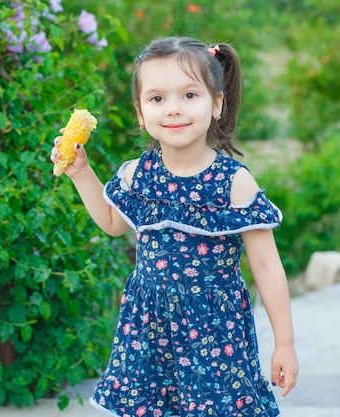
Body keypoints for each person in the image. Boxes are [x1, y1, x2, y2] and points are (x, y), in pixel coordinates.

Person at [50, 36, 298, 417]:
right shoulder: (138, 174)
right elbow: (114, 222)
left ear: (216, 103)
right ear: (140, 112)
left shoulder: (233, 182)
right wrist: (81, 173)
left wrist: (285, 344)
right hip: (150, 326)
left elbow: (266, 266)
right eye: (157, 99)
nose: (173, 110)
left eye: (189, 95)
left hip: (214, 330)